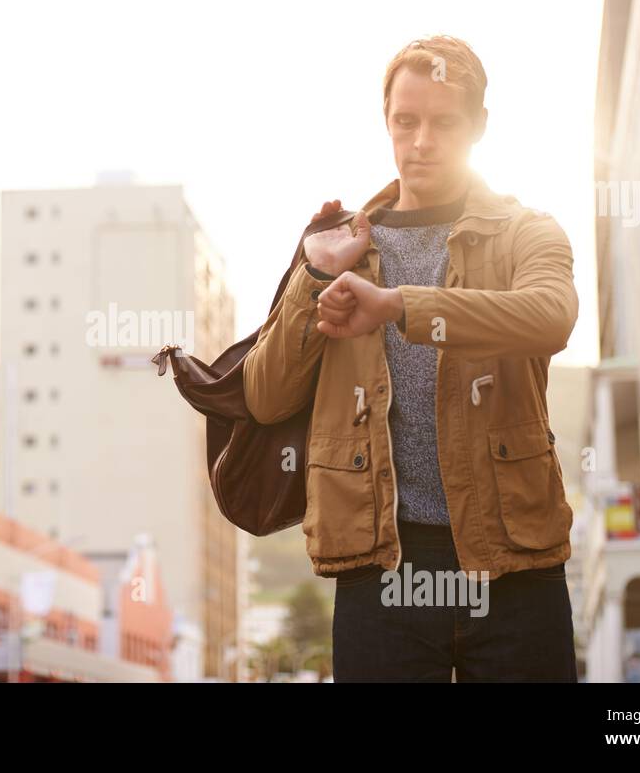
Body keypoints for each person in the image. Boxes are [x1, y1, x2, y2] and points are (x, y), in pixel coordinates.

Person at [243, 35, 579, 682]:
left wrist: (399, 305)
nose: (421, 140)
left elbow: (550, 316)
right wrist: (314, 273)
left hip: (514, 561)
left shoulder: (526, 232)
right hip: (382, 570)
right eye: (406, 121)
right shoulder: (343, 244)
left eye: (444, 122)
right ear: (387, 122)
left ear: (479, 126)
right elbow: (265, 396)